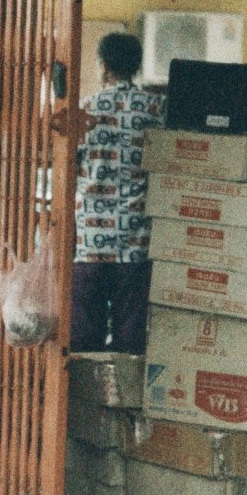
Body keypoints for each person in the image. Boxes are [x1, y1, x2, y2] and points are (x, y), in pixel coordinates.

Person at [72, 32, 163, 354]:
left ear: (103, 65)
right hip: (136, 238)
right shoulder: (157, 109)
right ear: (137, 66)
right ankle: (124, 396)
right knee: (131, 327)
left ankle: (84, 397)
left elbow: (69, 165)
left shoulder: (86, 109)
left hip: (90, 239)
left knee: (84, 327)